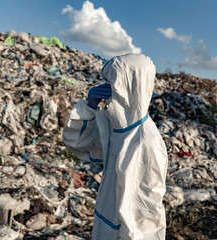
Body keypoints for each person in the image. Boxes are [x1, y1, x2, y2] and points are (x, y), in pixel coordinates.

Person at [63, 53, 168, 240]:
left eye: (113, 82)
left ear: (129, 85)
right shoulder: (118, 129)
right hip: (106, 225)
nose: (108, 88)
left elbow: (142, 220)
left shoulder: (145, 141)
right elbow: (79, 144)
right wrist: (89, 107)